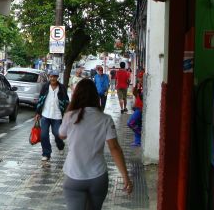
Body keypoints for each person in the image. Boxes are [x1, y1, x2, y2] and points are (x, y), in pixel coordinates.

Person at [59, 79, 133, 209]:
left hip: (74, 176)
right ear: (95, 96)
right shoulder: (105, 119)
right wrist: (125, 176)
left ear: (76, 95)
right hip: (98, 177)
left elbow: (61, 134)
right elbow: (114, 149)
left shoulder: (69, 116)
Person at [35, 69, 69, 162]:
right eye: (51, 76)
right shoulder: (45, 87)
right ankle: (46, 154)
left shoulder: (62, 88)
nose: (53, 78)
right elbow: (40, 100)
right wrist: (38, 113)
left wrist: (66, 114)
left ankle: (60, 145)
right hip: (45, 114)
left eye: (54, 76)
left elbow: (66, 101)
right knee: (44, 135)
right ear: (49, 77)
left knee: (57, 133)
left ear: (57, 77)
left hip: (57, 115)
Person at [128, 69, 144, 147]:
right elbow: (135, 95)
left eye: (140, 77)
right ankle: (138, 142)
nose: (139, 79)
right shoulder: (139, 85)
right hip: (137, 107)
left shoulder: (144, 87)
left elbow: (142, 97)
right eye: (138, 77)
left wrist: (140, 89)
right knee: (138, 123)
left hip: (141, 109)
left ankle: (142, 134)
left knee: (131, 123)